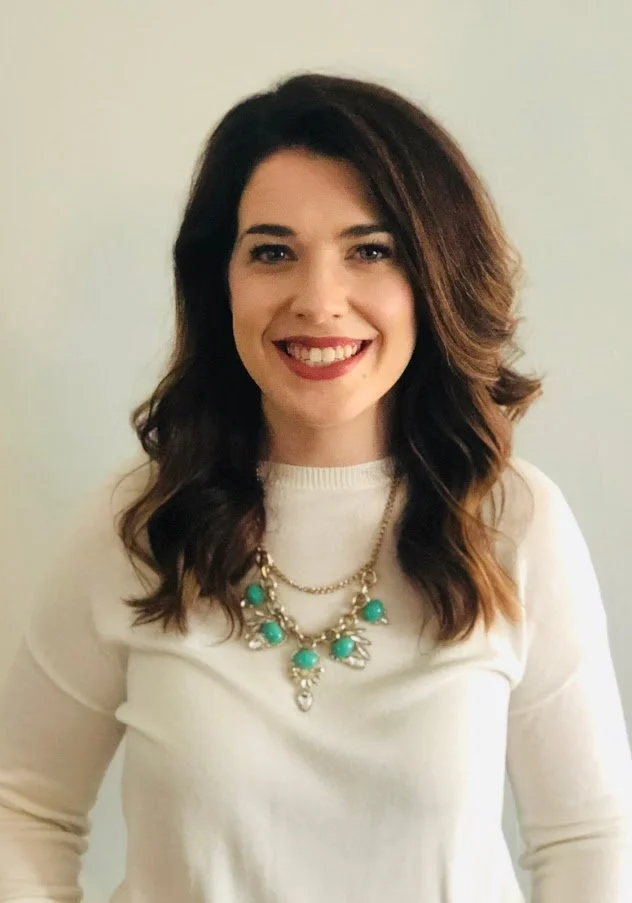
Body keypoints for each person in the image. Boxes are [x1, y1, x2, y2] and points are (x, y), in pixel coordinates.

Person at [0, 71, 631, 903]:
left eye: (370, 251)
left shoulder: (513, 522)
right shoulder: (140, 526)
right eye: (272, 252)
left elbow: (588, 838)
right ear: (218, 279)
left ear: (433, 277)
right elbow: (24, 807)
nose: (318, 300)